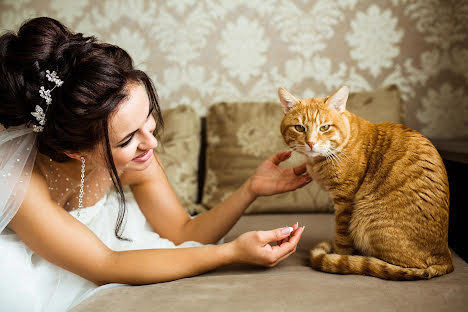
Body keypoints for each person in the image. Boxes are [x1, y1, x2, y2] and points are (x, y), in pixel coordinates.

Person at [0, 17, 311, 311]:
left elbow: (182, 231)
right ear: (75, 151)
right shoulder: (20, 182)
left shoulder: (138, 158)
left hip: (95, 255)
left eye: (148, 119)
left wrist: (250, 190)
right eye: (127, 140)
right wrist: (229, 252)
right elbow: (106, 266)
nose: (152, 143)